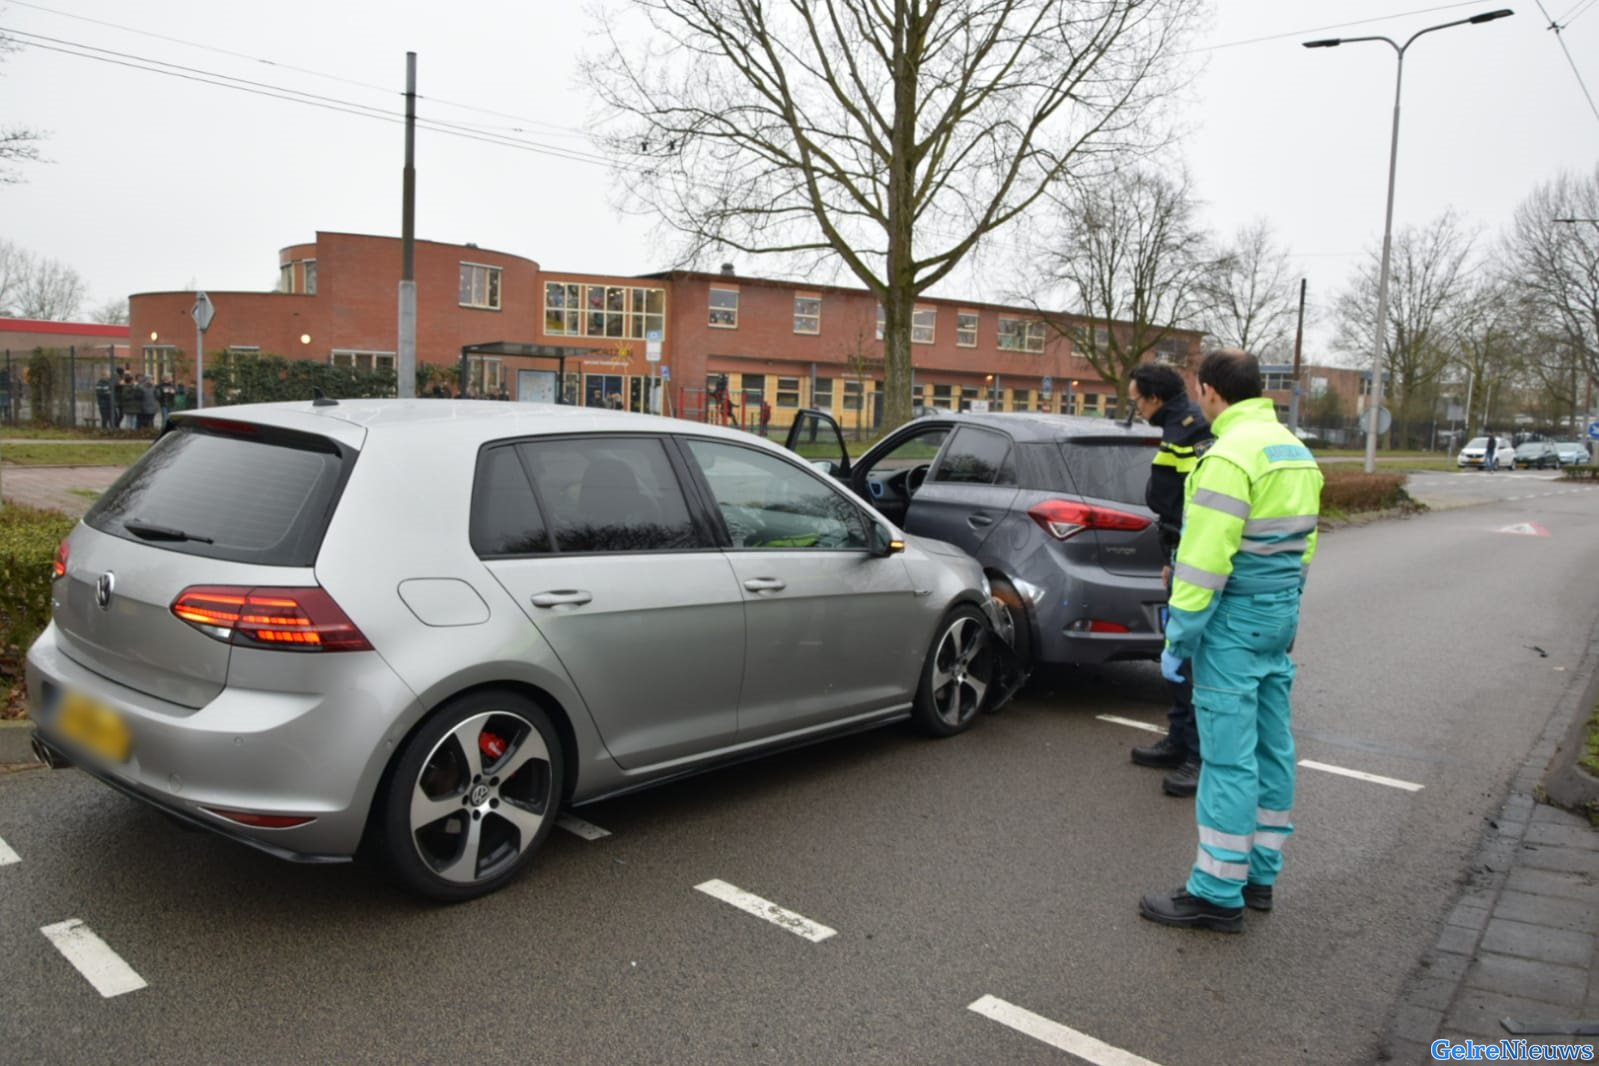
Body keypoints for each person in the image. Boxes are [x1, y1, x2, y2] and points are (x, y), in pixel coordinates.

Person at [1139, 348, 1323, 934]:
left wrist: (1181, 636)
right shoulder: (1295, 452)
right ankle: (1260, 876)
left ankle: (1217, 891)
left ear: (1210, 390)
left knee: (1226, 760)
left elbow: (1202, 563)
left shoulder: (1227, 458)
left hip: (1232, 624)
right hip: (1277, 617)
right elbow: (1304, 551)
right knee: (1273, 748)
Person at [1126, 362, 1214, 798]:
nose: (1136, 407)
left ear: (1155, 398)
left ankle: (1198, 755)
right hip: (1179, 554)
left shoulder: (1193, 430)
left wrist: (1180, 556)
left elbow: (1194, 504)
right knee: (1175, 655)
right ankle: (1179, 739)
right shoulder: (1178, 426)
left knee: (1190, 658)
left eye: (1137, 399)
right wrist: (1170, 556)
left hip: (1192, 557)